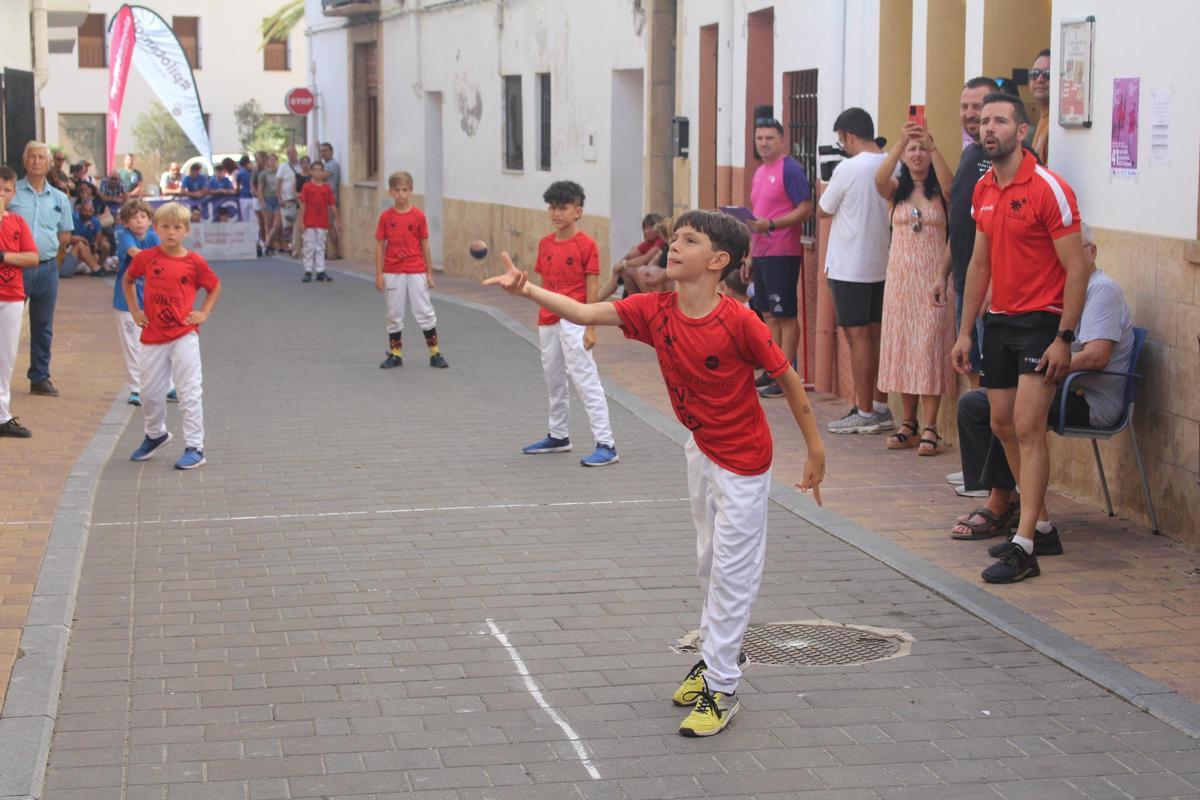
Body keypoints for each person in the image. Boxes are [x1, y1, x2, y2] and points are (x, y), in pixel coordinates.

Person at [484, 209, 826, 736]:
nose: (674, 246)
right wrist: (528, 290)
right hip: (701, 448)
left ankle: (724, 687)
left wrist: (815, 450)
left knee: (734, 573)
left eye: (688, 240)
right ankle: (712, 660)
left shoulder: (740, 321)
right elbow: (581, 310)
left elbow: (790, 381)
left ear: (717, 262)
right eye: (675, 238)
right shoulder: (653, 309)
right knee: (709, 565)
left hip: (744, 463)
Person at [951, 92, 1088, 584]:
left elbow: (1079, 267)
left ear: (1022, 131)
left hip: (1042, 322)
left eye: (1000, 121)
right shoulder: (985, 188)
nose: (989, 128)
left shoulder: (1049, 187)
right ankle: (1044, 525)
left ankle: (1024, 544)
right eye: (984, 121)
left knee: (1029, 427)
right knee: (1003, 425)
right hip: (1001, 322)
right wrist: (966, 330)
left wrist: (1065, 337)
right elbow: (979, 264)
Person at [951, 223, 1133, 552]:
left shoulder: (1102, 289)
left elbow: (1096, 356)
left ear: (1091, 253)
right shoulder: (1060, 288)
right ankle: (1006, 497)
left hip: (1089, 398)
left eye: (1071, 251)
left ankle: (1001, 504)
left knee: (1014, 406)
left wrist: (1035, 366)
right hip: (1060, 386)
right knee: (982, 404)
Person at [517, 180, 617, 467]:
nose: (556, 213)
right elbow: (546, 285)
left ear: (578, 211)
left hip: (575, 320)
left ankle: (607, 444)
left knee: (586, 381)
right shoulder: (545, 244)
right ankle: (559, 435)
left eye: (563, 207)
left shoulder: (587, 245)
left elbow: (592, 284)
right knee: (554, 381)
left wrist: (591, 324)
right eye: (552, 207)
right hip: (547, 321)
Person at [873, 121, 956, 454]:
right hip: (901, 281)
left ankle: (931, 425)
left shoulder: (942, 192)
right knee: (907, 348)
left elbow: (951, 189)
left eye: (922, 149)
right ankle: (908, 421)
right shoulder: (896, 189)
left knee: (930, 348)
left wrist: (932, 145)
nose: (918, 154)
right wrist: (900, 142)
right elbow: (878, 180)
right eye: (913, 150)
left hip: (935, 278)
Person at [124, 202, 221, 470]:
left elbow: (214, 286)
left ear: (186, 231)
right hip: (153, 335)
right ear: (156, 228)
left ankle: (195, 447)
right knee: (150, 393)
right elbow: (128, 280)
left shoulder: (195, 263)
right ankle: (156, 434)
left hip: (184, 334)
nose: (170, 233)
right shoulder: (146, 258)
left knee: (189, 391)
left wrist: (204, 313)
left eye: (177, 228)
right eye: (165, 227)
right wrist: (135, 309)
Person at [818, 108, 895, 434]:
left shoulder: (848, 168)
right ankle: (879, 405)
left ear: (849, 136)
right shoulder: (894, 161)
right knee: (876, 336)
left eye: (841, 140)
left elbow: (824, 210)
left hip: (850, 266)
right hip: (883, 262)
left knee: (857, 338)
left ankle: (864, 412)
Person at [933, 77, 1000, 398]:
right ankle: (980, 445)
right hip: (964, 285)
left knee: (994, 379)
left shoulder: (1009, 158)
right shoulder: (971, 154)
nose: (972, 114)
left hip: (991, 291)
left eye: (979, 107)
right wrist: (942, 273)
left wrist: (994, 284)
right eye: (965, 107)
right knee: (973, 372)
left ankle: (994, 447)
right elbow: (961, 222)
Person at [744, 118, 813, 399]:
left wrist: (773, 225)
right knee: (769, 315)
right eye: (760, 138)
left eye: (769, 138)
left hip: (783, 252)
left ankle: (786, 375)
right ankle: (773, 369)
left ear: (781, 139)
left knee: (785, 314)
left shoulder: (791, 169)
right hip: (760, 253)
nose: (764, 143)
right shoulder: (760, 171)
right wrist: (749, 255)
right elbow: (756, 214)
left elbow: (806, 208)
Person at [9, 141, 74, 397]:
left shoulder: (59, 198)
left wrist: (53, 261)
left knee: (43, 325)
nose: (37, 162)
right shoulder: (12, 194)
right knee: (7, 324)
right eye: (32, 157)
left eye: (41, 158)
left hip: (47, 269)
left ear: (48, 164)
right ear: (25, 162)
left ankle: (39, 377)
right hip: (15, 269)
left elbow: (65, 235)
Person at [374, 171, 448, 369]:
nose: (401, 194)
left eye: (405, 190)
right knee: (394, 313)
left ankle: (435, 354)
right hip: (392, 270)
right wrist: (379, 274)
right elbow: (380, 246)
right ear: (390, 191)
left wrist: (430, 273)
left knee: (424, 310)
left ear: (411, 191)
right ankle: (395, 354)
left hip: (416, 269)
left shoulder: (418, 216)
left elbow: (425, 245)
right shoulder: (385, 218)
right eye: (397, 190)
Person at [0, 165, 41, 438]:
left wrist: (4, 257)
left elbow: (32, 257)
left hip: (11, 296)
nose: (1, 194)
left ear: (13, 193)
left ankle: (2, 415)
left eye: (6, 189)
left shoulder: (17, 222)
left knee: (5, 359)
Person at [113, 199, 162, 406]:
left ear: (150, 220)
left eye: (143, 217)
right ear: (126, 222)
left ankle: (165, 385)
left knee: (160, 343)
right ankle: (136, 388)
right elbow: (136, 254)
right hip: (127, 301)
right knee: (133, 346)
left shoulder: (153, 236)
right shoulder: (125, 236)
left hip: (152, 299)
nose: (139, 221)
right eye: (134, 217)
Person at [599, 213, 665, 300]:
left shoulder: (660, 241)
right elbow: (630, 255)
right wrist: (619, 264)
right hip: (647, 276)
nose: (646, 231)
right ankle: (593, 301)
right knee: (620, 272)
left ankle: (634, 300)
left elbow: (645, 259)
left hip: (656, 278)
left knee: (626, 270)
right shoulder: (648, 243)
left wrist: (624, 264)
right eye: (645, 228)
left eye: (650, 228)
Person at [298, 160, 341, 283]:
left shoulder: (326, 188)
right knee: (309, 246)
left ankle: (320, 271)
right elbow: (303, 205)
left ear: (323, 172)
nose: (317, 172)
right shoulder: (307, 187)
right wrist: (301, 221)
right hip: (309, 221)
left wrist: (338, 220)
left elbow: (332, 204)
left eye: (320, 170)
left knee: (321, 246)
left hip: (322, 221)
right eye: (315, 169)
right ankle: (308, 270)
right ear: (311, 172)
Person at [68, 200, 109, 275]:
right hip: (74, 246)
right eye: (85, 210)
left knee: (105, 245)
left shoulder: (95, 221)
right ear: (80, 210)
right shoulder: (73, 217)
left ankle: (99, 267)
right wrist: (81, 239)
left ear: (93, 211)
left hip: (89, 246)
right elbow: (68, 237)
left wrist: (96, 243)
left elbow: (98, 234)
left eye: (90, 211)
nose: (87, 213)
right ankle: (95, 268)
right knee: (81, 245)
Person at [1027, 49, 1051, 164]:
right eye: (1035, 74)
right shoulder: (1043, 117)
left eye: (1047, 74)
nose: (1040, 79)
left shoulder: (1056, 125)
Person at [276, 146, 301, 256]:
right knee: (288, 225)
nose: (291, 155)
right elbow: (278, 184)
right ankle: (291, 245)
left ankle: (295, 249)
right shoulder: (283, 167)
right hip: (287, 201)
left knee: (297, 226)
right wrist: (279, 198)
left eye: (293, 153)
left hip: (299, 200)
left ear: (296, 153)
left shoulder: (301, 166)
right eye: (289, 153)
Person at [319, 142, 342, 259]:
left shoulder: (333, 164)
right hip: (323, 197)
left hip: (330, 196)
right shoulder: (325, 165)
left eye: (325, 151)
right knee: (324, 225)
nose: (323, 153)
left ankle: (336, 251)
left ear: (331, 152)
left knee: (329, 224)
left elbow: (321, 176)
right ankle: (326, 251)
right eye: (321, 151)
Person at [259, 154, 282, 253]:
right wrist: (262, 201)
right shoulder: (263, 174)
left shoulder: (279, 172)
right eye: (270, 160)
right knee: (268, 224)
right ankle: (271, 245)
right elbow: (260, 188)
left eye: (274, 160)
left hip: (277, 199)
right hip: (267, 199)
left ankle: (271, 242)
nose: (272, 162)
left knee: (277, 224)